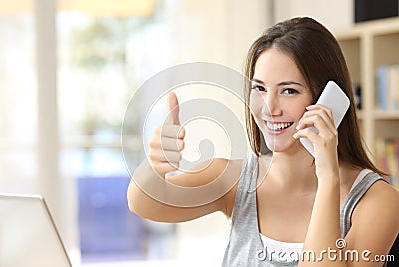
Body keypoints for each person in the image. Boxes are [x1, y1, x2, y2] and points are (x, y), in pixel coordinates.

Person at [127, 17, 399, 266]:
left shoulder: (377, 201)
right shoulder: (235, 180)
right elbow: (144, 204)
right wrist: (156, 164)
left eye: (289, 90)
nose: (269, 107)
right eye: (259, 88)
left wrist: (327, 177)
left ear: (328, 99)